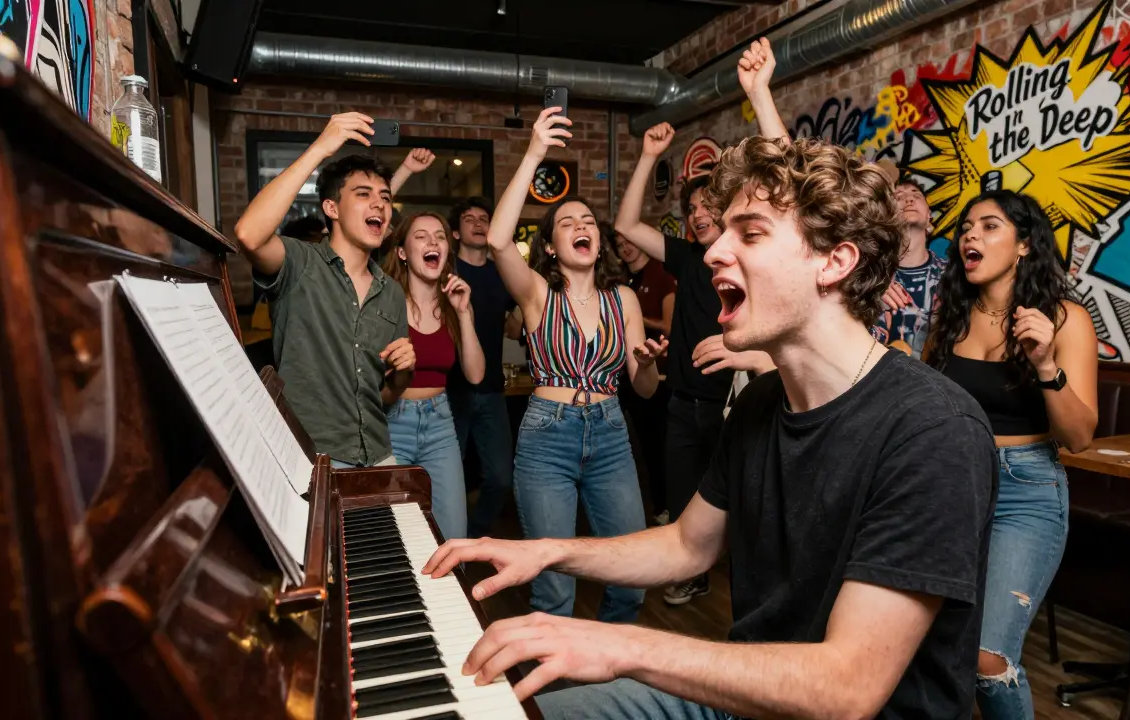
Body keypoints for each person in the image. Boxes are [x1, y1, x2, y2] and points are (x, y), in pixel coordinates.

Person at [422, 131, 998, 720]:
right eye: (722, 232)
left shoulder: (934, 430)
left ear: (836, 261)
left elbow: (846, 688)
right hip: (745, 698)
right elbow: (685, 543)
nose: (716, 251)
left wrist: (619, 645)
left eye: (748, 233)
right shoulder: (760, 404)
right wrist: (546, 552)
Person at [484, 105, 667, 624]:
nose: (580, 225)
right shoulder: (538, 295)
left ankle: (605, 685)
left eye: (588, 220)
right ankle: (560, 700)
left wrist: (649, 365)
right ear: (550, 243)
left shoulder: (624, 300)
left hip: (610, 433)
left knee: (631, 582)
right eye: (567, 222)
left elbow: (645, 389)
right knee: (554, 592)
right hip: (548, 436)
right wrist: (536, 151)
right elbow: (498, 240)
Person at [924, 189, 1098, 720]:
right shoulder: (950, 316)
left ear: (1024, 245)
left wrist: (1046, 365)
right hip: (952, 482)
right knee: (937, 647)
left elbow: (1080, 435)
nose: (970, 234)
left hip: (1025, 490)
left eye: (990, 225)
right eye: (966, 226)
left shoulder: (1065, 319)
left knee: (987, 658)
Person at [615, 58, 775, 607]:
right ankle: (696, 572)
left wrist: (742, 350)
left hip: (736, 399)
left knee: (748, 499)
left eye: (711, 206)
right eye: (693, 207)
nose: (700, 213)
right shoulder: (686, 258)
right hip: (684, 400)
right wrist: (648, 156)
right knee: (686, 497)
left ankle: (748, 584)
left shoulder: (751, 260)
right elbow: (627, 225)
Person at [234, 112, 414, 468]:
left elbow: (384, 395)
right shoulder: (301, 263)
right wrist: (321, 147)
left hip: (377, 455)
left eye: (385, 196)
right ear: (331, 207)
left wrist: (404, 373)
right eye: (363, 194)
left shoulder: (391, 291)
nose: (379, 203)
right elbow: (248, 235)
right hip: (312, 459)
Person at [380, 212, 485, 540]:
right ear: (402, 252)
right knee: (398, 535)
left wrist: (464, 313)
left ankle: (456, 591)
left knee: (454, 532)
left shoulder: (455, 304)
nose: (433, 242)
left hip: (440, 425)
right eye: (421, 236)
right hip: (390, 422)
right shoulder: (384, 301)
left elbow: (476, 375)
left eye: (439, 236)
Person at [445, 196, 522, 539]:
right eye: (469, 218)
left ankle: (473, 534)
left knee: (501, 478)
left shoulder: (502, 274)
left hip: (491, 390)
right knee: (448, 477)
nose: (478, 223)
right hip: (449, 391)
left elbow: (514, 328)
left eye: (484, 218)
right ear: (456, 232)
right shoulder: (445, 272)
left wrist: (524, 306)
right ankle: (447, 537)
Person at [614, 230, 676, 526]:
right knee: (633, 449)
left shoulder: (660, 274)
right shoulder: (624, 280)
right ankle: (641, 510)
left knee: (655, 447)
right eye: (620, 244)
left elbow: (668, 325)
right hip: (625, 377)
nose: (626, 247)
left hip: (657, 375)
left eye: (630, 241)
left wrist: (631, 316)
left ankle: (664, 508)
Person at [872, 180, 946, 358]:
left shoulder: (951, 276)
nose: (909, 200)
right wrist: (871, 292)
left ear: (929, 215)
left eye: (916, 195)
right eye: (899, 197)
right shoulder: (870, 275)